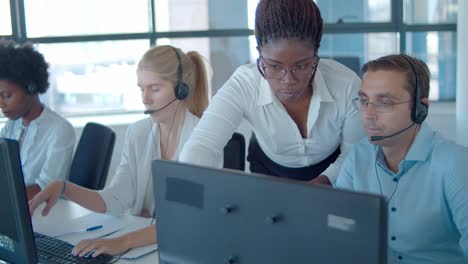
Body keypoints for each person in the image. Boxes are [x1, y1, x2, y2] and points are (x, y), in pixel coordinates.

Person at [29, 45, 210, 257]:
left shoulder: (201, 139)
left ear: (182, 89)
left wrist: (123, 242)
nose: (145, 98)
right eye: (141, 88)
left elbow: (184, 220)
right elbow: (115, 199)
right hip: (146, 248)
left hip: (186, 249)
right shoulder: (139, 133)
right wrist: (64, 187)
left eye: (155, 88)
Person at [179, 0, 364, 185]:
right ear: (259, 52)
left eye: (301, 66)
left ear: (316, 53)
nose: (288, 80)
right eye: (274, 66)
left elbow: (355, 153)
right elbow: (203, 144)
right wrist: (189, 187)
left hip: (335, 170)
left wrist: (322, 184)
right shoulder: (244, 84)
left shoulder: (346, 85)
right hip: (267, 171)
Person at [335, 54, 468, 263]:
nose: (368, 114)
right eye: (364, 101)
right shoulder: (357, 157)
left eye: (384, 102)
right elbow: (336, 230)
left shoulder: (456, 165)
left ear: (420, 109)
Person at [0, 40, 75, 200]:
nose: (1, 104)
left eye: (6, 96)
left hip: (45, 213)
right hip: (18, 209)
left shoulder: (60, 130)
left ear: (31, 88)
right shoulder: (12, 125)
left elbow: (46, 188)